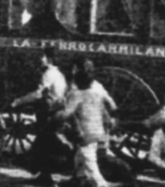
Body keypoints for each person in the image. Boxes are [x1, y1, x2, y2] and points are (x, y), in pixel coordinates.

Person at [10, 46, 69, 186]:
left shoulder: (48, 74)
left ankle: (46, 176)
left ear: (49, 59)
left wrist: (18, 101)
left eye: (42, 56)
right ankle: (44, 175)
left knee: (44, 145)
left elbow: (38, 94)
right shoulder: (59, 74)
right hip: (56, 111)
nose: (39, 59)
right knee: (44, 144)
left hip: (48, 113)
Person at [55, 58, 117, 187]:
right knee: (79, 156)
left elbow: (67, 113)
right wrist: (111, 120)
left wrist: (57, 114)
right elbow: (107, 108)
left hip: (85, 133)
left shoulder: (77, 93)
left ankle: (101, 184)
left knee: (89, 161)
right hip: (99, 131)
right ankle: (79, 178)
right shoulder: (96, 91)